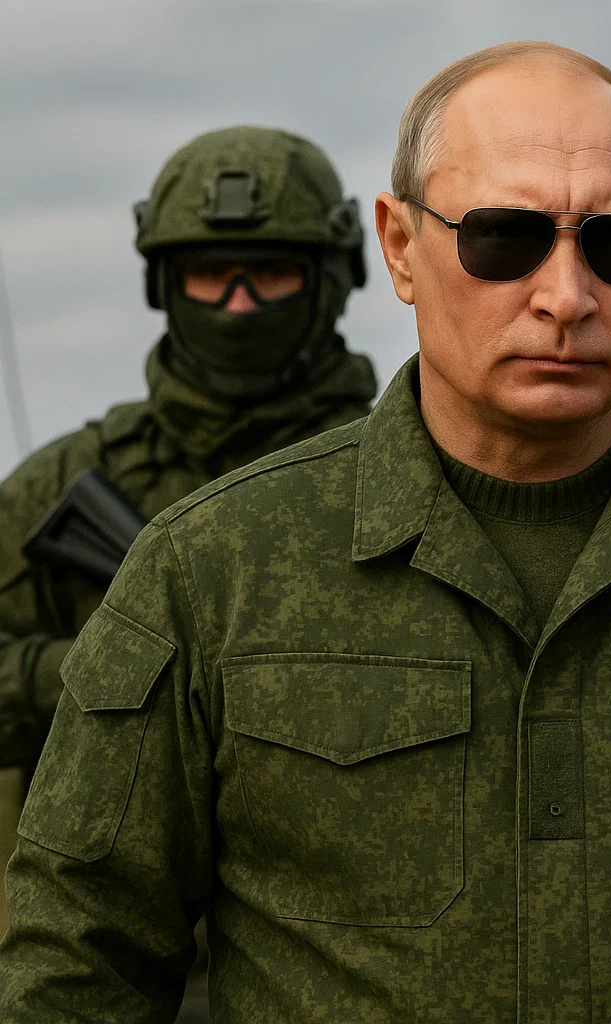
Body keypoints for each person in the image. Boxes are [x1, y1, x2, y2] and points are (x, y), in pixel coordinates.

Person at [0, 42, 611, 1023]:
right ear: (401, 246)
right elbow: (77, 967)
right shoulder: (210, 568)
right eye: (504, 237)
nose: (567, 297)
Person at [0, 126, 376, 1022]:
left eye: (269, 274)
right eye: (211, 275)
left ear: (329, 280)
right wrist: (111, 671)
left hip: (341, 965)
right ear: (163, 285)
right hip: (110, 960)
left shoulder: (394, 475)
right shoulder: (66, 485)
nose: (238, 305)